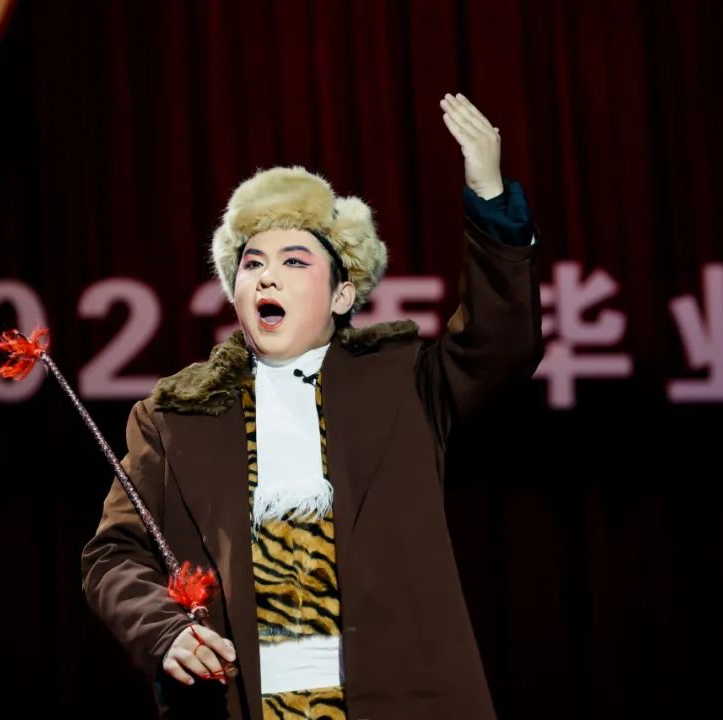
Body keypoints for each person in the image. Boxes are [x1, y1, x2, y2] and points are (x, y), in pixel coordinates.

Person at [81, 92, 542, 719]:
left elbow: (502, 344)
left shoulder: (405, 384)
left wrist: (489, 196)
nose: (266, 277)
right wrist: (164, 631)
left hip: (398, 699)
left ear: (342, 294)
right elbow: (112, 555)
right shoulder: (174, 418)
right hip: (240, 701)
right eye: (252, 264)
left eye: (294, 261)